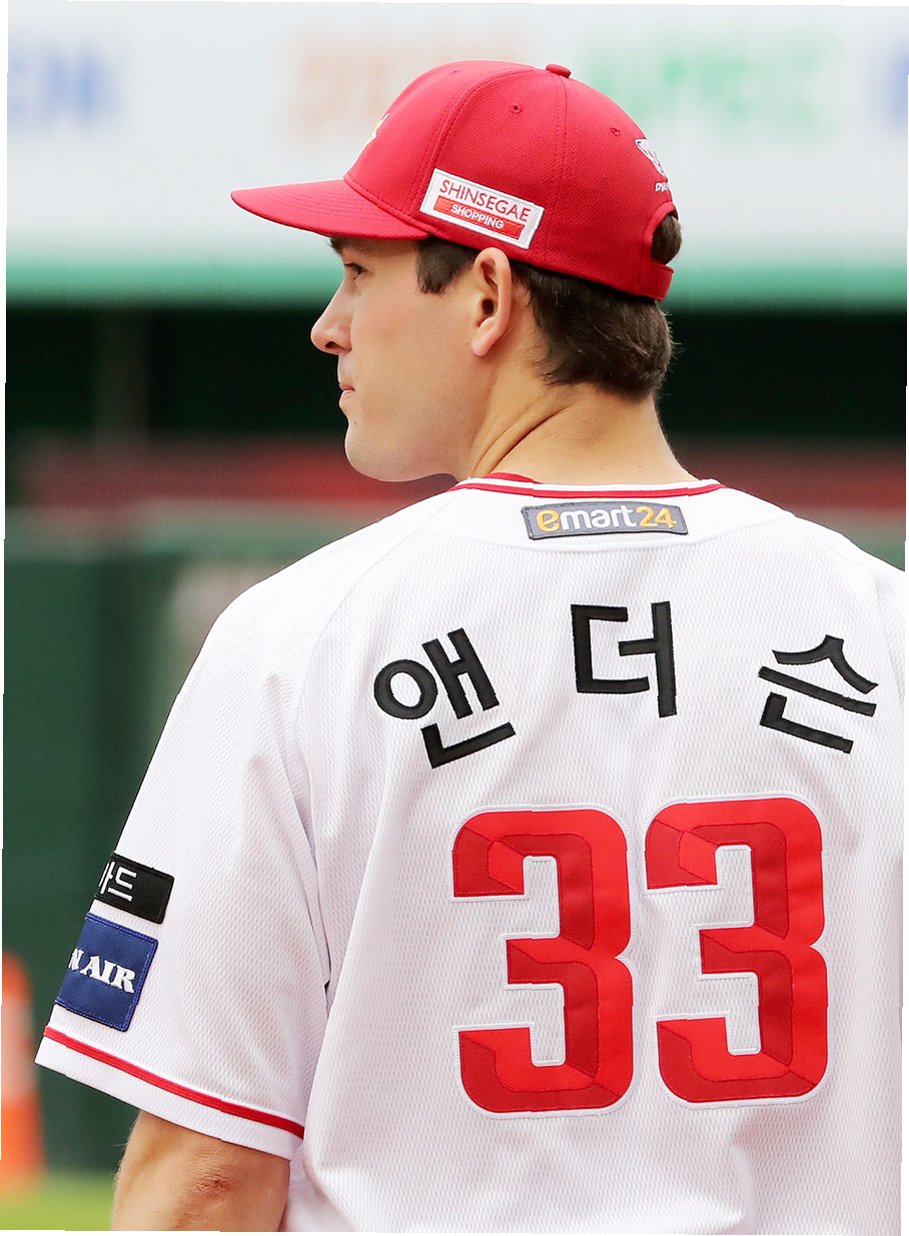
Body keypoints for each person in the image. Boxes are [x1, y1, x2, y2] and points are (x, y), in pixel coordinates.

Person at [37, 60, 901, 1234]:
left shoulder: (308, 638)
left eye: (359, 271)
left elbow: (204, 1180)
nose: (328, 326)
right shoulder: (879, 623)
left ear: (489, 294)